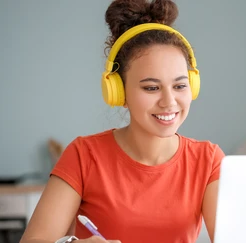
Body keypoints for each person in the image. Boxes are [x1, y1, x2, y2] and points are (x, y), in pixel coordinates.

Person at [20, 0, 225, 242]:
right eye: (151, 88)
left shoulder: (208, 161)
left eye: (180, 85)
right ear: (119, 93)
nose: (169, 102)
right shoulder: (83, 156)